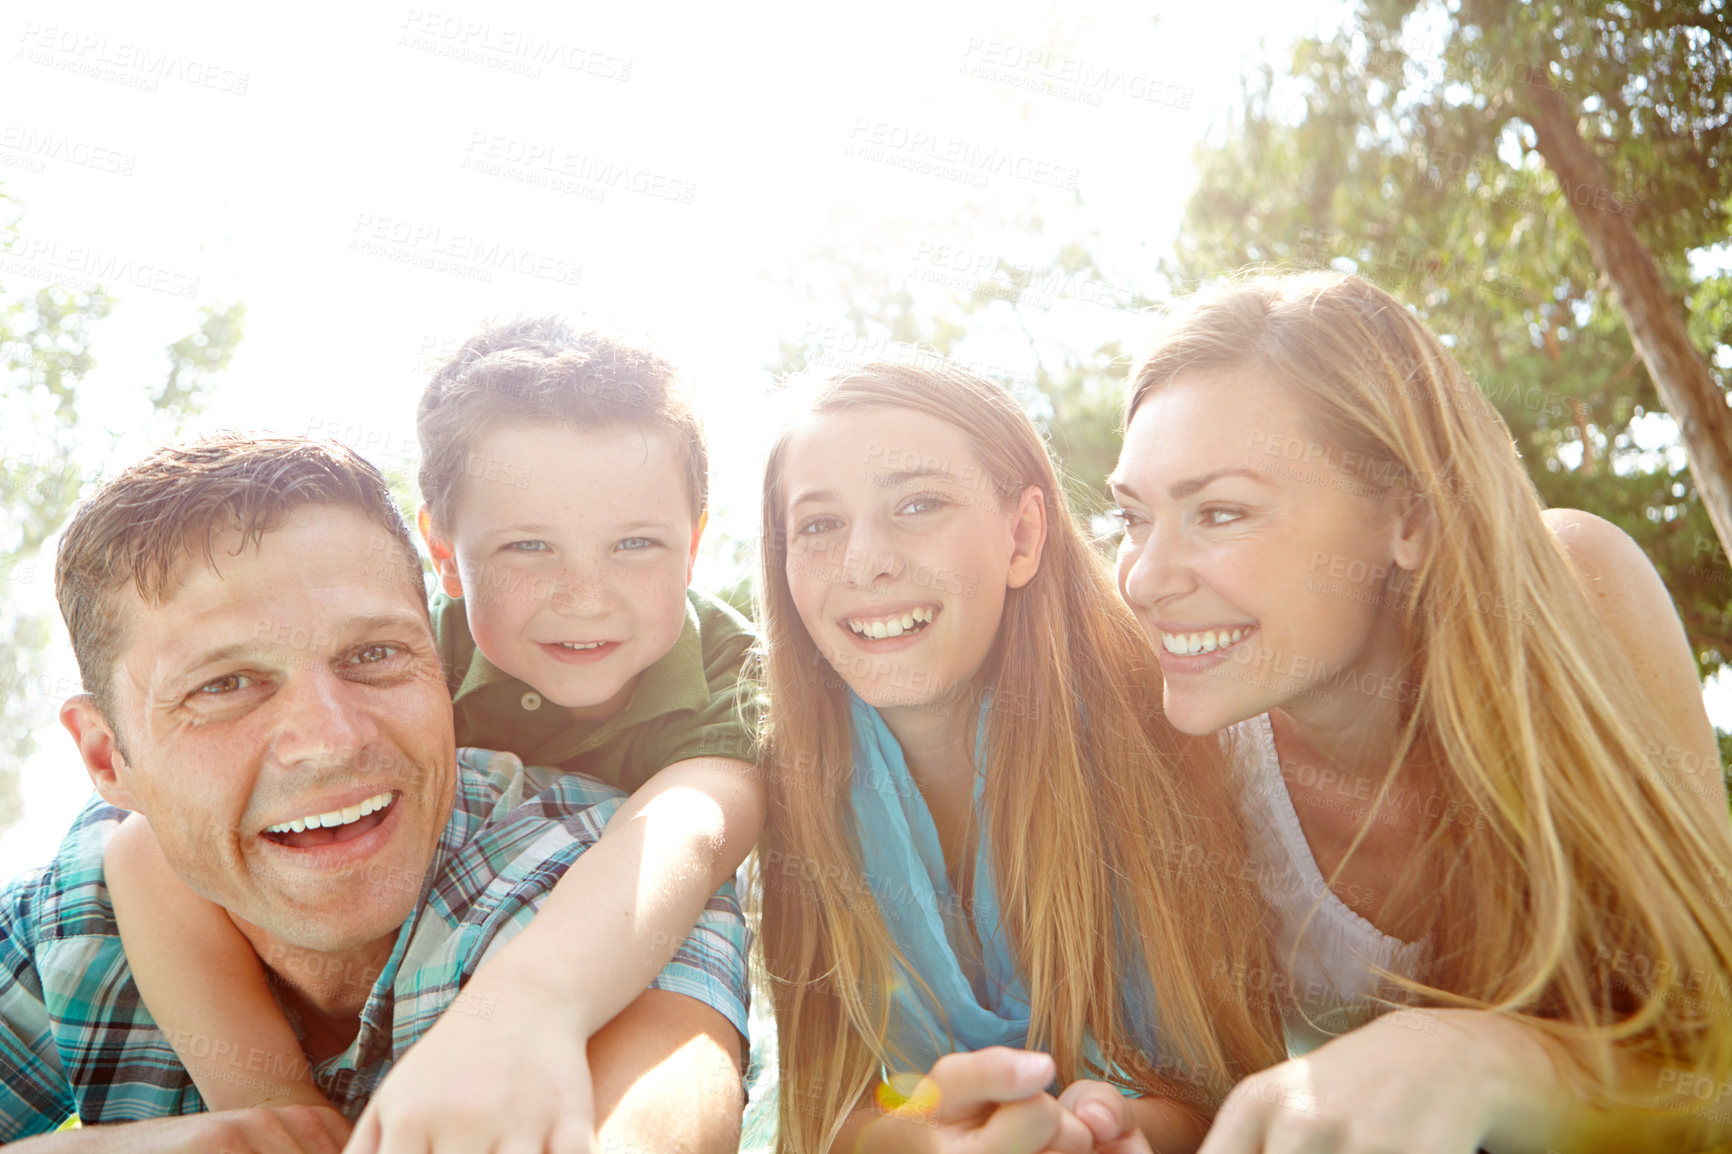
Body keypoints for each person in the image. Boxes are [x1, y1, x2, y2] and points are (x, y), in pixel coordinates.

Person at [98, 321, 766, 1151]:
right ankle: (279, 1114)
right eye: (529, 546)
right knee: (138, 847)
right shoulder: (399, 658)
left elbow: (686, 835)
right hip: (380, 944)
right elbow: (140, 848)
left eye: (636, 544)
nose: (587, 595)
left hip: (600, 944)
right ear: (446, 558)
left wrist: (524, 1012)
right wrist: (265, 1103)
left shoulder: (738, 676)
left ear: (695, 545)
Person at [1108, 270, 1732, 1152]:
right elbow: (1195, 1094)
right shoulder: (1175, 724)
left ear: (1412, 517)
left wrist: (1493, 1057)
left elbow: (1711, 1078)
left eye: (1220, 512)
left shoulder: (1575, 597)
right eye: (1132, 517)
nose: (1144, 578)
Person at [753, 361, 1287, 1153]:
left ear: (1023, 535)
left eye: (917, 504)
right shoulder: (784, 787)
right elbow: (830, 1105)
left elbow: (1223, 1079)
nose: (865, 562)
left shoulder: (1168, 736)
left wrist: (1104, 1130)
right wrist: (928, 1142)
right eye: (819, 525)